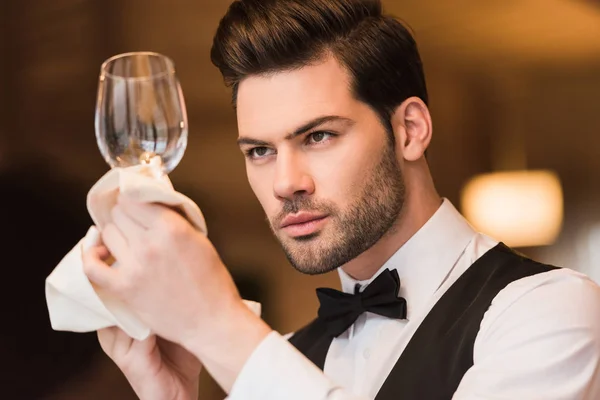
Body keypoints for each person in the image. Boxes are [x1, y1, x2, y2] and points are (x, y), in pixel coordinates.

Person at [82, 0, 600, 399]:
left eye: (319, 136)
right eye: (260, 150)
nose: (286, 182)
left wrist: (216, 324)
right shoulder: (284, 358)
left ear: (410, 129)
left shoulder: (547, 310)